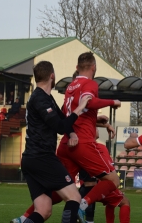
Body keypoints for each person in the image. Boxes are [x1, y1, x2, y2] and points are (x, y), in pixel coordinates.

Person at [18, 60, 91, 223]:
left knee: (43, 210)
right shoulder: (40, 98)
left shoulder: (45, 97)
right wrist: (80, 108)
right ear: (52, 76)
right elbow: (59, 126)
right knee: (74, 197)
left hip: (32, 159)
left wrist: (71, 133)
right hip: (42, 157)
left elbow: (63, 120)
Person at [56, 52, 121, 221]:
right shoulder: (90, 84)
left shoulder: (70, 88)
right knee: (113, 180)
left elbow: (67, 114)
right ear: (94, 68)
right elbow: (89, 102)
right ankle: (83, 205)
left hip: (66, 144)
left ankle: (26, 217)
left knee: (61, 189)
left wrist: (97, 120)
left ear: (77, 68)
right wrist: (112, 102)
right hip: (82, 143)